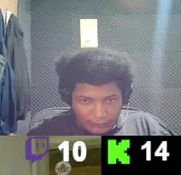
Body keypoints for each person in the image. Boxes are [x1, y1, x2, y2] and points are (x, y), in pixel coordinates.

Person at [27, 48, 173, 136]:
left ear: (125, 96)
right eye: (85, 100)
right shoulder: (46, 133)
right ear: (68, 97)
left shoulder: (146, 128)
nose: (100, 114)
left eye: (110, 100)